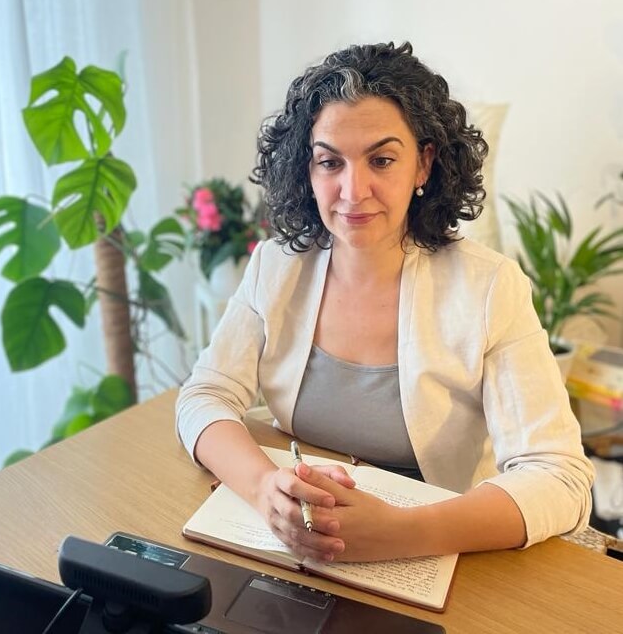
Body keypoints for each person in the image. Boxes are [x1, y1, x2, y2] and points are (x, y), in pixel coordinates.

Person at [175, 42, 594, 563]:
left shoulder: (490, 287)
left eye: (381, 159)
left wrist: (400, 533)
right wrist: (265, 489)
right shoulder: (276, 266)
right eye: (330, 162)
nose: (353, 191)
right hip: (295, 543)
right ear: (307, 170)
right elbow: (204, 395)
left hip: (437, 552)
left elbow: (560, 476)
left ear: (424, 164)